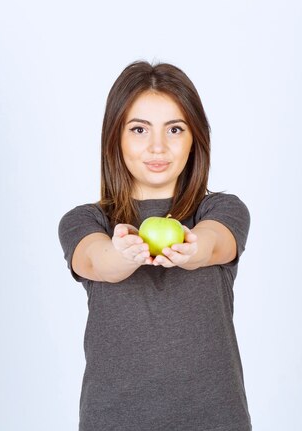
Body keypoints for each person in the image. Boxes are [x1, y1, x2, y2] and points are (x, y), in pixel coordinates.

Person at [58, 60, 252, 431]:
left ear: (195, 137)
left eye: (175, 129)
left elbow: (215, 245)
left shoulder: (222, 210)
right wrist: (122, 253)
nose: (158, 147)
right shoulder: (85, 221)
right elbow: (96, 262)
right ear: (116, 136)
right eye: (139, 129)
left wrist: (192, 249)